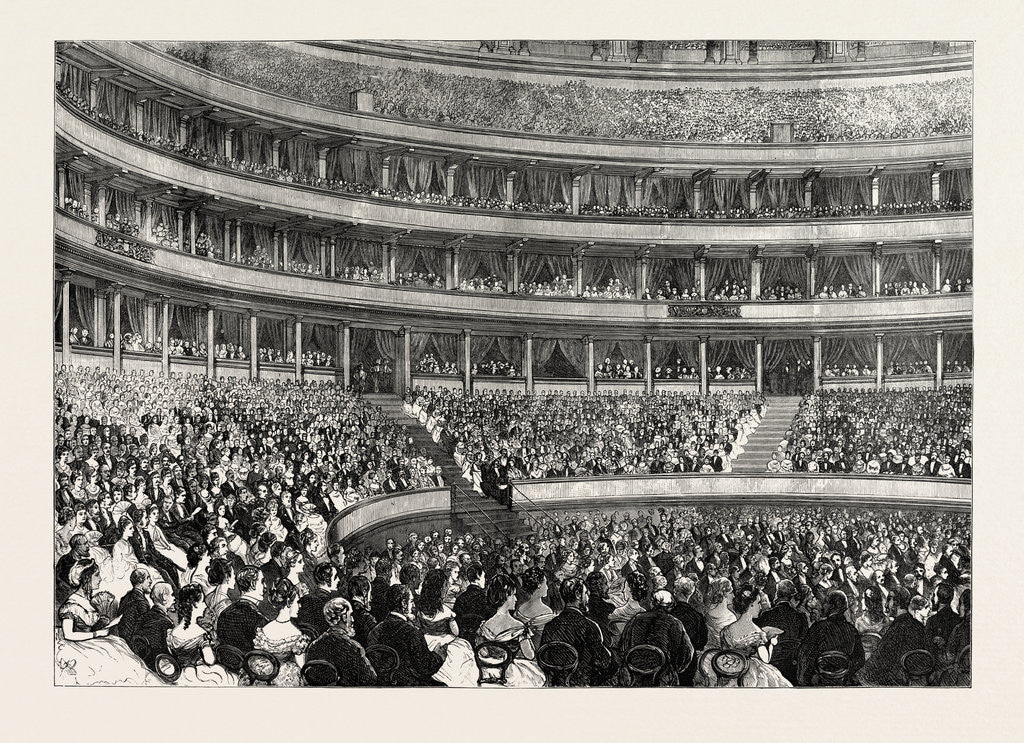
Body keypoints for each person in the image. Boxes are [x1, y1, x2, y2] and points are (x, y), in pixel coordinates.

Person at [55, 559, 163, 686]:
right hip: (79, 646)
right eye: (97, 575)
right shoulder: (71, 604)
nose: (100, 579)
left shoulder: (86, 600)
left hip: (92, 641)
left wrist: (112, 623)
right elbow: (69, 635)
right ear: (87, 579)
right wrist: (97, 634)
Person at [698, 584, 790, 687]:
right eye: (758, 603)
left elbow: (724, 654)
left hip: (728, 672)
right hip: (751, 676)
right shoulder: (758, 633)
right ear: (751, 605)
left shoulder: (726, 630)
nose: (760, 607)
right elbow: (766, 659)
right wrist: (772, 644)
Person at [540, 578, 615, 687]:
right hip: (583, 684)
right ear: (578, 595)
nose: (588, 598)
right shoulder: (589, 626)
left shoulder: (550, 626)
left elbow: (544, 659)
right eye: (586, 594)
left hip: (556, 683)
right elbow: (604, 663)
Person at [366, 584, 444, 686]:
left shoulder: (375, 630)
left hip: (383, 684)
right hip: (409, 684)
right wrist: (438, 656)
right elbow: (424, 668)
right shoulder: (412, 632)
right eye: (411, 601)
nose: (414, 606)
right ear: (403, 603)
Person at [166, 584, 240, 685]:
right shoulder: (201, 633)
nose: (206, 606)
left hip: (182, 676)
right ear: (194, 605)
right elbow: (210, 660)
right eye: (203, 602)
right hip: (200, 675)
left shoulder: (173, 632)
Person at [618, 590, 694, 686]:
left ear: (652, 603)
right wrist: (675, 668)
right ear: (670, 606)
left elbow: (622, 647)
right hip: (662, 677)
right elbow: (687, 652)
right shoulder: (674, 623)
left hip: (633, 675)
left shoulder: (636, 619)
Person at [857, 595, 934, 686]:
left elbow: (881, 658)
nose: (885, 605)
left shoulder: (899, 626)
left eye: (889, 600)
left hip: (898, 679)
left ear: (896, 603)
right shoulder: (915, 624)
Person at [796, 590, 866, 686]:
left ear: (832, 606)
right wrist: (844, 674)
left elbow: (805, 655)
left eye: (825, 603)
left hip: (819, 683)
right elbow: (860, 659)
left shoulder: (819, 627)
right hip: (843, 683)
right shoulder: (852, 629)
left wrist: (805, 682)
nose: (823, 605)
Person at [305, 598, 378, 686]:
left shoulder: (313, 645)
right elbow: (370, 678)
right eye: (350, 615)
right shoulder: (352, 647)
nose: (353, 620)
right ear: (341, 618)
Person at [253, 578, 309, 686]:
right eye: (297, 602)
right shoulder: (296, 634)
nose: (299, 606)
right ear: (288, 602)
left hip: (264, 678)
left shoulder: (264, 629)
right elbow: (302, 666)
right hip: (286, 680)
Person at [754, 579, 808, 684]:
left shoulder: (766, 615)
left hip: (772, 664)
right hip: (795, 666)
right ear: (791, 596)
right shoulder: (801, 617)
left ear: (777, 594)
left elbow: (760, 641)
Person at [215, 566, 266, 653]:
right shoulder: (257, 619)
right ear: (253, 584)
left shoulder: (224, 613)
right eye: (262, 582)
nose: (265, 586)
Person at [417, 568, 459, 652]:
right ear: (440, 589)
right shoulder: (447, 612)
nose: (446, 588)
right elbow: (456, 632)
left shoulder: (420, 609)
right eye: (445, 586)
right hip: (443, 645)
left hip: (426, 645)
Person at [297, 563, 340, 639]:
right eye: (335, 577)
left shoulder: (309, 598)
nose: (338, 580)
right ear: (327, 579)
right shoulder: (329, 603)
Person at [115, 567, 153, 643]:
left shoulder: (126, 598)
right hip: (134, 643)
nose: (151, 581)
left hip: (123, 641)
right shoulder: (140, 602)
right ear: (140, 580)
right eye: (148, 578)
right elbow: (145, 628)